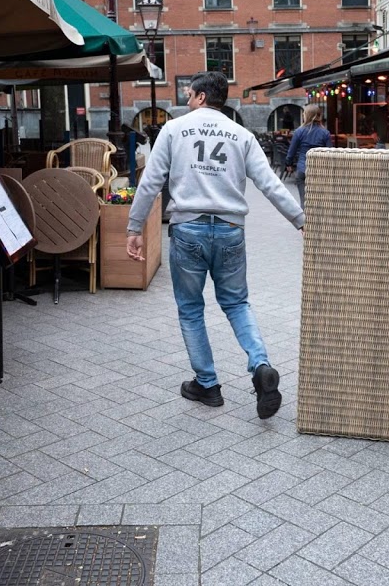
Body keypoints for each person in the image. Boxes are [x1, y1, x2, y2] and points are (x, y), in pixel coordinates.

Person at [125, 71, 304, 419]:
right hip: (229, 229)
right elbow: (269, 183)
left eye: (190, 95)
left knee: (191, 308)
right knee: (237, 303)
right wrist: (301, 220)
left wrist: (134, 227)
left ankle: (207, 384)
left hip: (188, 229)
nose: (187, 100)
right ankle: (260, 364)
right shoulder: (242, 135)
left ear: (203, 97)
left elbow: (150, 182)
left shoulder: (174, 130)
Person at [285, 103, 332, 205]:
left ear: (306, 115)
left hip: (303, 169)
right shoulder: (325, 133)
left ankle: (306, 220)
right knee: (320, 201)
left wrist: (288, 164)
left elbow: (291, 151)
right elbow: (330, 153)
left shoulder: (299, 131)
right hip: (320, 170)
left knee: (305, 200)